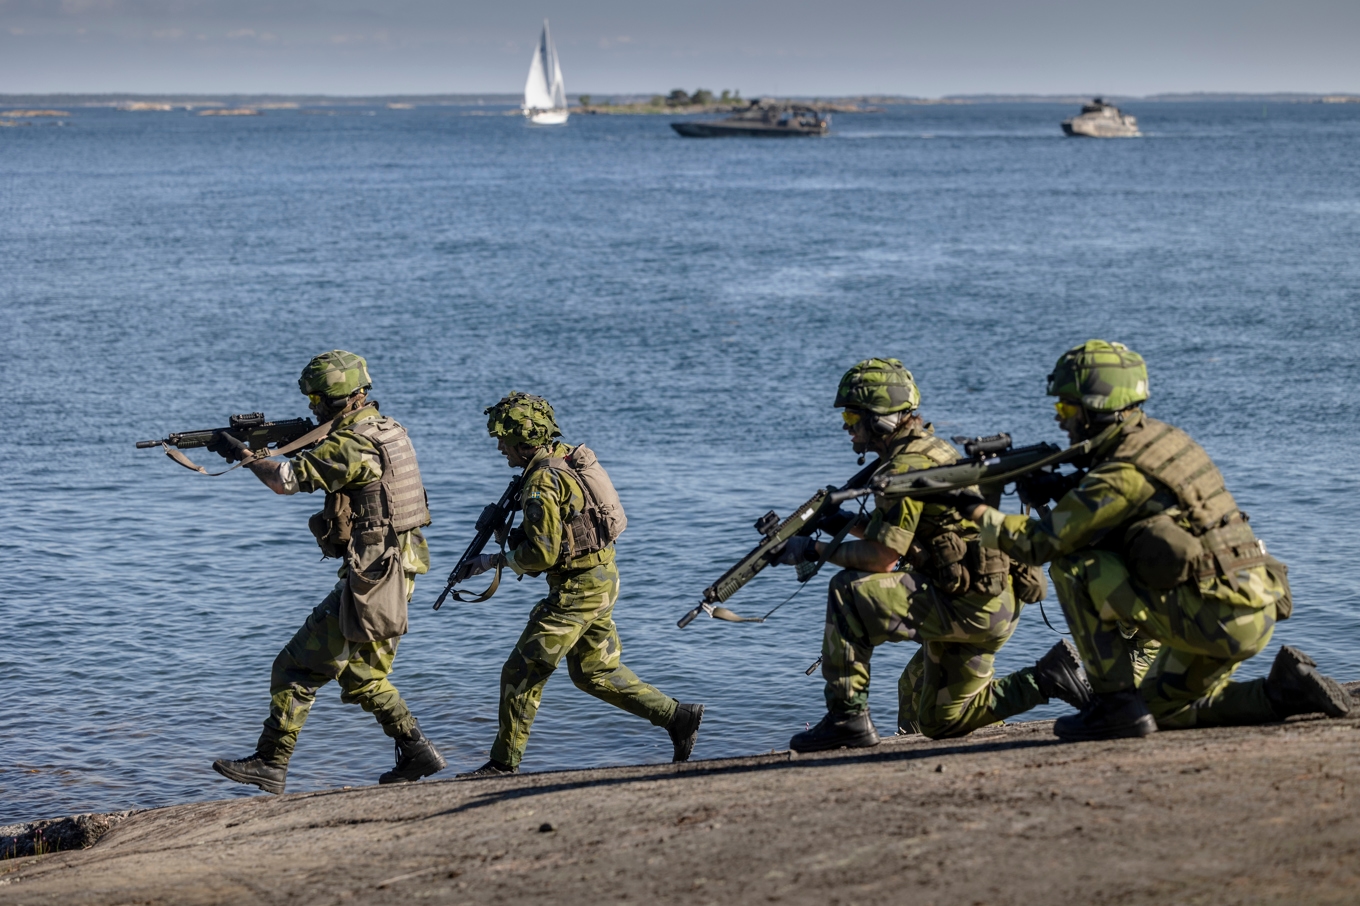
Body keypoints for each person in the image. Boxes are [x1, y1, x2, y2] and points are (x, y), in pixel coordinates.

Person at [941, 339, 1350, 740]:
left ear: (1093, 408)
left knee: (1074, 567)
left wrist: (974, 510)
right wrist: (1065, 486)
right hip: (1252, 606)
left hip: (1216, 617)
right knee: (1159, 712)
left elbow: (1039, 545)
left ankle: (1113, 705)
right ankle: (1284, 691)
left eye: (1065, 407)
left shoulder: (1121, 474)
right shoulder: (1167, 441)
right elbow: (1133, 510)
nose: (1060, 419)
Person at [778, 358, 1092, 753]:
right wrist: (837, 519)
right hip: (991, 600)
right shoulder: (929, 448)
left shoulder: (906, 466)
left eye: (851, 416)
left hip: (967, 603)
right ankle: (1048, 678)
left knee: (847, 593)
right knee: (941, 721)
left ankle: (847, 718)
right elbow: (900, 532)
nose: (846, 426)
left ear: (879, 420)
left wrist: (810, 549)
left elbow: (882, 558)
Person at [211, 350, 446, 793]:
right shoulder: (386, 429)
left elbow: (284, 480)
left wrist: (242, 454)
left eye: (317, 398)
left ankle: (270, 761)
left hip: (375, 575)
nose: (312, 407)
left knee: (295, 666)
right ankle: (416, 751)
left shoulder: (354, 443)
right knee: (362, 676)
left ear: (336, 399)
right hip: (399, 568)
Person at [456, 392, 703, 776]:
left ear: (523, 438)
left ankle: (503, 765)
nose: (500, 447)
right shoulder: (565, 456)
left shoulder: (541, 481)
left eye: (502, 439)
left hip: (579, 590)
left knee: (522, 670)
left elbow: (542, 554)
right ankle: (678, 718)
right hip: (602, 577)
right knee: (593, 671)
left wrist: (491, 561)